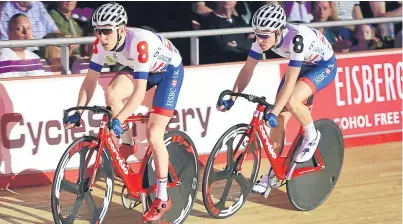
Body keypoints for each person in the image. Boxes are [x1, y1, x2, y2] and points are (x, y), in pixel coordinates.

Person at [62, 2, 184, 222]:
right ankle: (127, 143)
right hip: (141, 68)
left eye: (107, 31)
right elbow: (90, 81)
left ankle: (163, 197)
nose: (102, 37)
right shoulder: (100, 44)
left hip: (168, 72)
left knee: (154, 134)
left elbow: (138, 92)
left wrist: (119, 118)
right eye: (98, 31)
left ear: (121, 29)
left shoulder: (139, 42)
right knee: (112, 93)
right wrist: (78, 110)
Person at [216, 4, 337, 194]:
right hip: (302, 64)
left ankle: (312, 136)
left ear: (279, 30)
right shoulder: (262, 37)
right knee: (278, 122)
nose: (260, 40)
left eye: (265, 36)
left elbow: (290, 81)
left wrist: (272, 110)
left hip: (322, 65)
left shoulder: (296, 38)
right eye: (257, 34)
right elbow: (248, 69)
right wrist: (233, 96)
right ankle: (272, 174)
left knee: (292, 101)